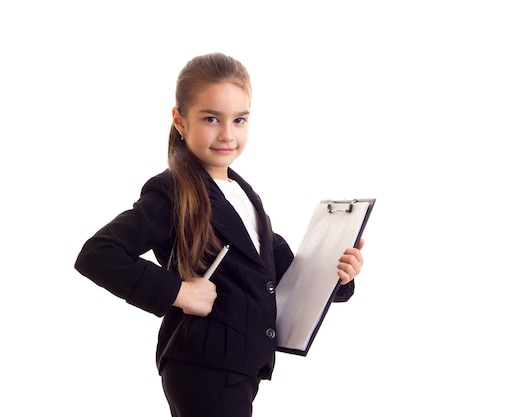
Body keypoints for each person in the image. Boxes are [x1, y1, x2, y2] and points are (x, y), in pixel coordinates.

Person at [74, 52, 365, 417]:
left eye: (239, 120)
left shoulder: (243, 193)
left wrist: (339, 275)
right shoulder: (174, 192)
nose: (228, 134)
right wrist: (178, 292)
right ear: (180, 121)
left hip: (238, 366)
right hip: (203, 366)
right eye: (211, 119)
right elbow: (98, 254)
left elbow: (281, 274)